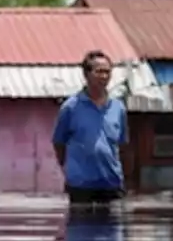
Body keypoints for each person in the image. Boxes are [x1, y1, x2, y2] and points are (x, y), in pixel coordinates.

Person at [52, 50, 127, 205]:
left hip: (111, 185)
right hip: (81, 186)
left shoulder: (118, 108)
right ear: (86, 75)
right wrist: (70, 171)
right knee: (80, 227)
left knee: (112, 228)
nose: (104, 77)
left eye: (107, 72)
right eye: (99, 72)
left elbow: (123, 146)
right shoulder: (70, 108)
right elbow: (59, 143)